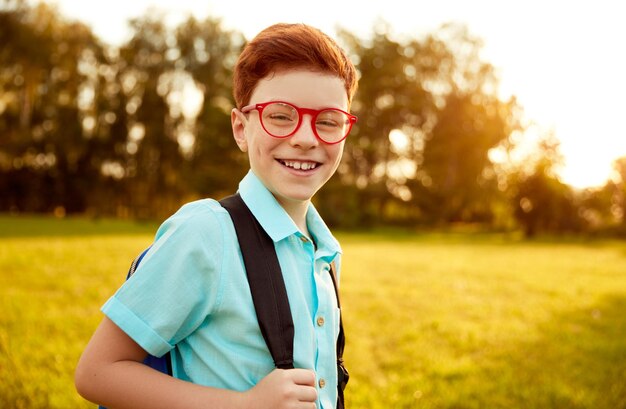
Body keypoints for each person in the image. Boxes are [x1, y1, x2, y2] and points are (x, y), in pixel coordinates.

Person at [75, 22, 358, 409]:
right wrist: (246, 404)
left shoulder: (323, 251)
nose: (306, 138)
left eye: (328, 121)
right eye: (280, 116)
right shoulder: (207, 233)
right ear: (241, 128)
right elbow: (98, 372)